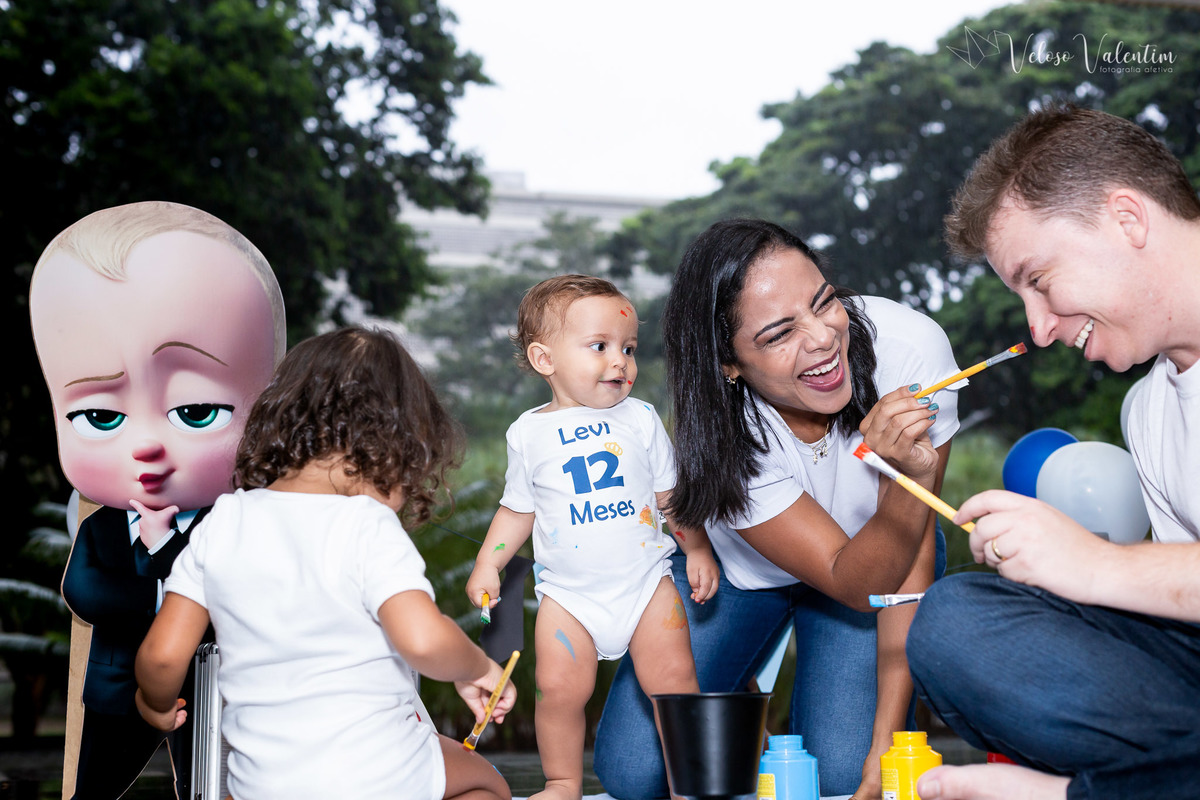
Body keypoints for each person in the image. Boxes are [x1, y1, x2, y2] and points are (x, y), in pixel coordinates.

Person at [594, 218, 962, 800]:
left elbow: (901, 572)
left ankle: (786, 731)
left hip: (882, 559)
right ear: (728, 364)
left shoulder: (909, 351)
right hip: (742, 574)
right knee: (635, 772)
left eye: (824, 302)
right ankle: (744, 707)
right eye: (778, 333)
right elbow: (842, 575)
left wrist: (883, 753)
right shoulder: (725, 437)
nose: (821, 339)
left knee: (845, 776)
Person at [906, 105, 1200, 800]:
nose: (1038, 330)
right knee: (955, 622)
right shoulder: (1151, 408)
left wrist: (1093, 563)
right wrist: (1057, 572)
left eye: (1038, 281)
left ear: (1127, 219)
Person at [134, 325, 515, 800]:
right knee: (486, 783)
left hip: (266, 784)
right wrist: (477, 669)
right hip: (379, 777)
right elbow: (421, 639)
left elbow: (162, 656)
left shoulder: (222, 522)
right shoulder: (365, 524)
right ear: (390, 446)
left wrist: (156, 705)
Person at [28, 201, 286, 800]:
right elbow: (87, 593)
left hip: (214, 690)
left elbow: (243, 595)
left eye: (196, 413)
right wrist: (168, 582)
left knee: (215, 787)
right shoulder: (100, 528)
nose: (145, 444)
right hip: (118, 692)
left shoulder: (243, 521)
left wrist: (166, 557)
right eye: (99, 415)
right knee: (93, 787)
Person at [465, 275, 719, 800]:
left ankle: (689, 785)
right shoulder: (527, 433)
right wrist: (488, 563)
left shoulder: (642, 419)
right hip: (569, 597)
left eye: (628, 349)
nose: (619, 361)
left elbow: (671, 496)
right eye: (599, 347)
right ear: (544, 359)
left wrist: (696, 547)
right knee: (558, 692)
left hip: (647, 585)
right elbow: (516, 510)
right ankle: (562, 783)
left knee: (673, 685)